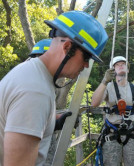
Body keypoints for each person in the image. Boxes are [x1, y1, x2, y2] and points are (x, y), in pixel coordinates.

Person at [0, 11, 108, 166]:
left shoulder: (34, 75)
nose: (86, 65)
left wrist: (51, 122)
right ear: (67, 47)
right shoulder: (35, 90)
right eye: (86, 58)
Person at [92, 56, 134, 166]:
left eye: (123, 64)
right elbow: (94, 103)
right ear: (112, 70)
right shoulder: (107, 87)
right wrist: (104, 81)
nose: (120, 66)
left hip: (132, 133)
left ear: (127, 69)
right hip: (111, 134)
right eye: (117, 65)